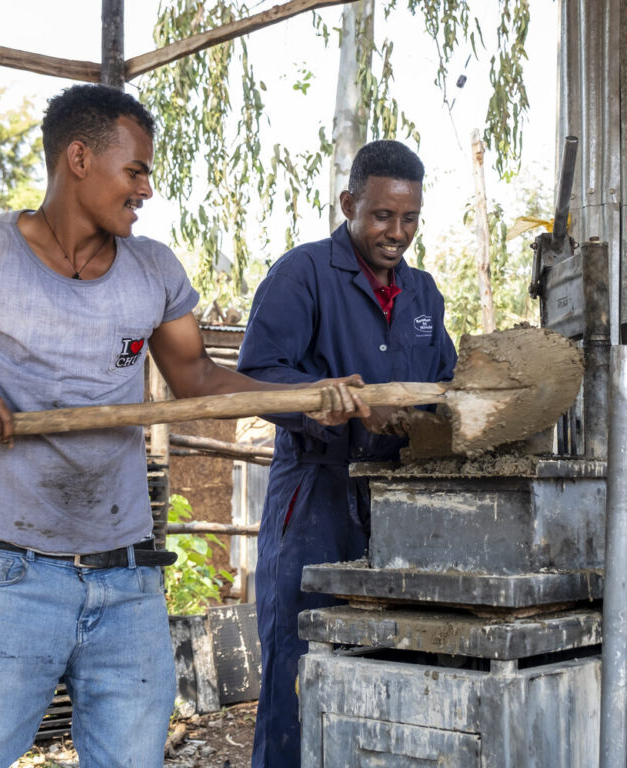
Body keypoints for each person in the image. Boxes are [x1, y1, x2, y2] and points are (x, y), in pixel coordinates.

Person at [0, 85, 368, 768]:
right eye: (135, 171)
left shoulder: (152, 269)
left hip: (128, 580)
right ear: (78, 158)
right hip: (13, 575)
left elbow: (200, 381)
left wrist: (307, 397)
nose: (147, 189)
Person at [237, 139, 458, 768]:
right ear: (348, 205)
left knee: (390, 658)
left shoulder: (423, 294)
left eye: (410, 218)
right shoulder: (302, 273)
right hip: (316, 493)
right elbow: (255, 376)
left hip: (396, 504)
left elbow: (440, 383)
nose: (397, 232)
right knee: (301, 666)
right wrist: (324, 405)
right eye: (382, 216)